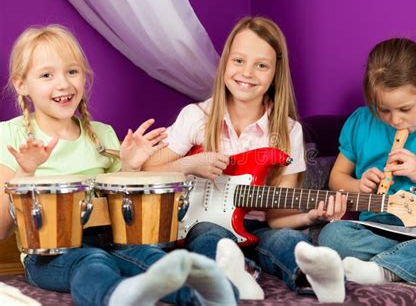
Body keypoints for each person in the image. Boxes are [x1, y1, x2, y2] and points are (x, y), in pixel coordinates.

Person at [0, 24, 238, 306]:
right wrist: (26, 173)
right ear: (21, 84)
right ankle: (117, 297)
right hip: (49, 256)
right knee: (91, 262)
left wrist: (131, 168)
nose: (63, 83)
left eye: (72, 71)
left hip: (112, 240)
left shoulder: (102, 134)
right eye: (46, 75)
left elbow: (122, 212)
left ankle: (209, 295)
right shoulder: (10, 136)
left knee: (152, 258)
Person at [143, 16, 347, 298]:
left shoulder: (289, 131)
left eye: (261, 65)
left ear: (276, 73)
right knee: (208, 237)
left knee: (289, 240)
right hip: (205, 225)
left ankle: (315, 278)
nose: (247, 73)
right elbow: (148, 170)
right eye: (239, 61)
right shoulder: (197, 117)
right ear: (225, 62)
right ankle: (236, 274)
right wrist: (189, 165)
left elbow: (277, 219)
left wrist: (312, 215)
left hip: (260, 228)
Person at [295, 38, 416, 303]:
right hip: (380, 228)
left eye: (405, 109)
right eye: (384, 110)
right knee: (333, 235)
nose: (394, 120)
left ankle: (385, 268)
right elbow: (337, 179)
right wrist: (359, 184)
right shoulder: (362, 121)